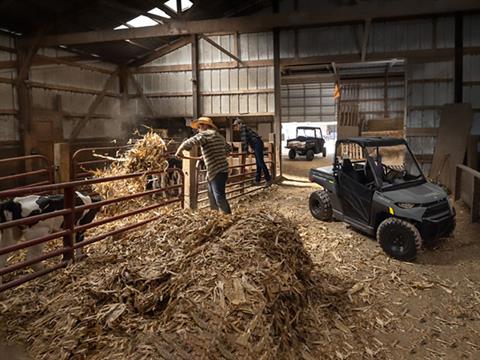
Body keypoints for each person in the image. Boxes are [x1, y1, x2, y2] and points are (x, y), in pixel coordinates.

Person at [175, 117, 232, 214]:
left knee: (218, 196)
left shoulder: (205, 135)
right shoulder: (219, 136)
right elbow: (228, 149)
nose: (198, 128)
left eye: (200, 126)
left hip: (216, 170)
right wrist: (210, 154)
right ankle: (215, 215)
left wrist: (178, 152)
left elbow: (188, 142)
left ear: (206, 126)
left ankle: (228, 217)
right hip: (221, 170)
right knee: (211, 195)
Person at [233, 118, 272, 186]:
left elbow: (244, 140)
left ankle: (268, 179)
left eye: (236, 125)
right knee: (258, 163)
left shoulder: (243, 127)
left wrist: (245, 150)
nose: (236, 127)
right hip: (257, 143)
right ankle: (257, 180)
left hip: (257, 144)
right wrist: (247, 149)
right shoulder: (245, 128)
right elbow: (247, 140)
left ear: (240, 124)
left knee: (260, 162)